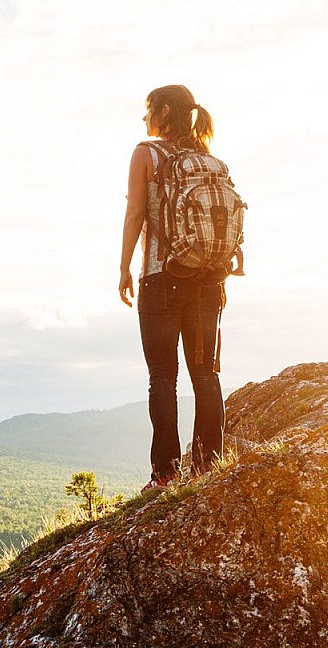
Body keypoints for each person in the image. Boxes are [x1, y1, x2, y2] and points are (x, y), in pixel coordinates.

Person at [118, 84, 226, 489]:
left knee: (163, 376)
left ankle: (165, 474)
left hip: (163, 279)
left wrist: (124, 267)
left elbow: (135, 214)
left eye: (148, 111)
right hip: (209, 280)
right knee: (206, 374)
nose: (145, 120)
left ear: (163, 111)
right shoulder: (207, 159)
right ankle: (207, 467)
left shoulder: (146, 153)